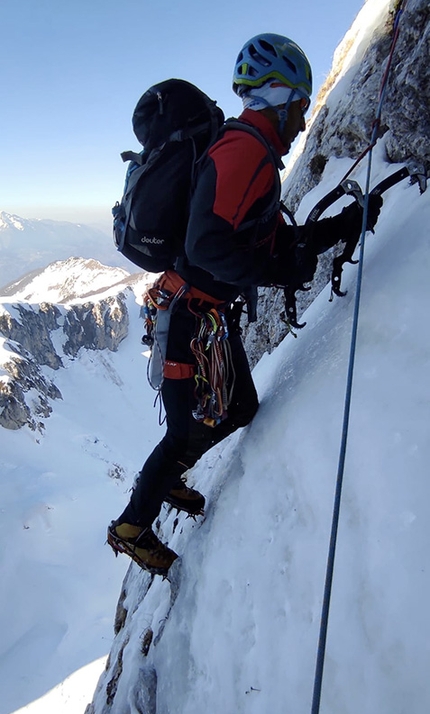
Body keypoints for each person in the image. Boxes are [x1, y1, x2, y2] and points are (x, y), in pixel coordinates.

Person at [107, 33, 382, 575]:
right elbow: (207, 245)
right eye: (299, 106)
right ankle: (132, 528)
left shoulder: (247, 150)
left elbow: (262, 239)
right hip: (190, 316)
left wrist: (341, 228)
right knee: (184, 430)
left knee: (239, 409)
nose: (302, 121)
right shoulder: (246, 151)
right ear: (278, 96)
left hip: (199, 312)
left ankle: (168, 481)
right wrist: (279, 270)